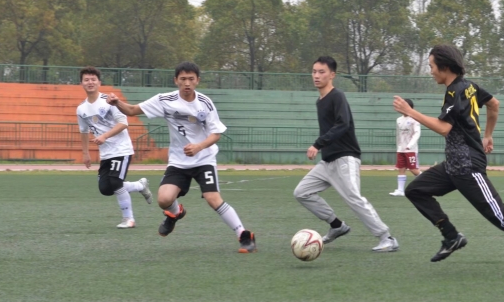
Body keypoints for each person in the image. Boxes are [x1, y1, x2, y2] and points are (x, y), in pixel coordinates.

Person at [393, 44, 504, 278]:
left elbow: (443, 128)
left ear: (444, 67)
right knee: (416, 190)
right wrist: (487, 135)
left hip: (468, 165)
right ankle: (451, 236)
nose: (430, 71)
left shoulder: (455, 92)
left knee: (496, 213)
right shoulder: (469, 86)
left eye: (431, 66)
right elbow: (494, 104)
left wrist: (410, 112)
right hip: (454, 165)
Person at [106, 61, 257, 253]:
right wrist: (117, 103)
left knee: (212, 198)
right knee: (163, 199)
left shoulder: (205, 103)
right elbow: (132, 110)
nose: (187, 83)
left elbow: (216, 134)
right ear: (175, 80)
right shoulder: (164, 100)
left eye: (191, 79)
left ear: (197, 80)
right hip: (178, 162)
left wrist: (199, 146)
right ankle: (175, 213)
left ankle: (244, 235)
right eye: (183, 79)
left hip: (204, 159)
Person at [293, 56, 399, 252]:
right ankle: (337, 226)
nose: (316, 75)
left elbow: (343, 124)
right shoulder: (320, 101)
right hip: (327, 162)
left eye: (321, 72)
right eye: (314, 71)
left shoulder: (337, 96)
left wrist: (318, 144)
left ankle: (387, 238)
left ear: (332, 75)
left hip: (345, 157)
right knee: (302, 193)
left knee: (353, 197)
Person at [77, 66, 152, 229]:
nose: (90, 82)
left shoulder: (109, 101)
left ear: (99, 82)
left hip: (121, 149)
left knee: (116, 182)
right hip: (106, 153)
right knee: (105, 189)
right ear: (81, 83)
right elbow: (83, 131)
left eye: (93, 79)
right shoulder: (81, 109)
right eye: (86, 80)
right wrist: (85, 153)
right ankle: (140, 185)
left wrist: (104, 136)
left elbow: (123, 123)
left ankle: (129, 219)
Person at [391, 98, 421, 196]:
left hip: (411, 150)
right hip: (401, 149)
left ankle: (428, 183)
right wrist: (399, 146)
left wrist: (410, 145)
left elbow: (417, 133)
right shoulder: (399, 120)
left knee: (414, 170)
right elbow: (399, 135)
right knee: (401, 168)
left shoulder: (414, 119)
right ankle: (400, 190)